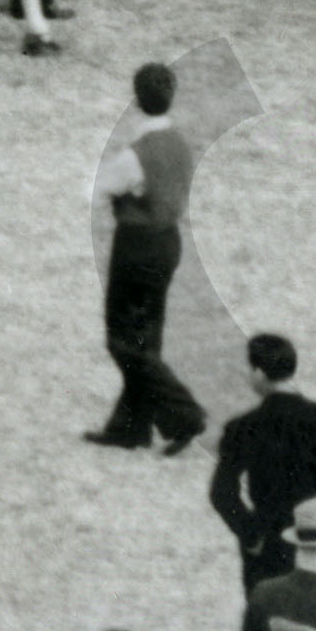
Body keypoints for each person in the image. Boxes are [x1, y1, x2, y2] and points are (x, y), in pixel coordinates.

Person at [86, 61, 208, 449]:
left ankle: (184, 414)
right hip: (168, 241)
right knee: (146, 339)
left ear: (136, 100)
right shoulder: (180, 144)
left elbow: (94, 190)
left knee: (123, 340)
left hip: (136, 246)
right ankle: (131, 426)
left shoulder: (136, 153)